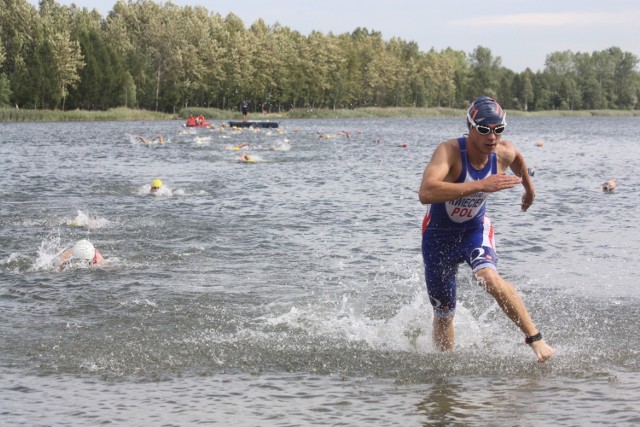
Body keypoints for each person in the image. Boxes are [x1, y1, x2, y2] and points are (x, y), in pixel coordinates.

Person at [418, 96, 555, 363]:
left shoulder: (503, 152)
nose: (491, 136)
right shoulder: (450, 152)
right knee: (444, 312)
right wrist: (481, 185)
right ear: (469, 127)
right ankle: (445, 368)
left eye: (498, 129)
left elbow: (517, 159)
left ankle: (536, 340)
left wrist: (529, 190)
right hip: (438, 237)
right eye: (483, 129)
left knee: (488, 278)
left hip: (474, 230)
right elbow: (426, 191)